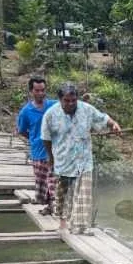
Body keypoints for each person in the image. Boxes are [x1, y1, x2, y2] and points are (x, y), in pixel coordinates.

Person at [41, 82, 122, 233]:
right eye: (67, 100)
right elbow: (46, 138)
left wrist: (114, 124)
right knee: (62, 194)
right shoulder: (50, 115)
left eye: (73, 100)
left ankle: (79, 227)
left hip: (83, 160)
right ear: (60, 99)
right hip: (62, 159)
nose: (71, 103)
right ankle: (63, 222)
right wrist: (51, 159)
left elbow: (103, 118)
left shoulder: (86, 109)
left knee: (83, 193)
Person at [15, 76, 57, 215]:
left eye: (43, 90)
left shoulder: (53, 106)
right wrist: (34, 140)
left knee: (54, 182)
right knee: (42, 183)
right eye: (37, 91)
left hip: (55, 151)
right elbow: (22, 130)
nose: (40, 93)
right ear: (31, 91)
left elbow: (70, 107)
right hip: (38, 152)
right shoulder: (25, 112)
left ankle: (57, 209)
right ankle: (50, 206)